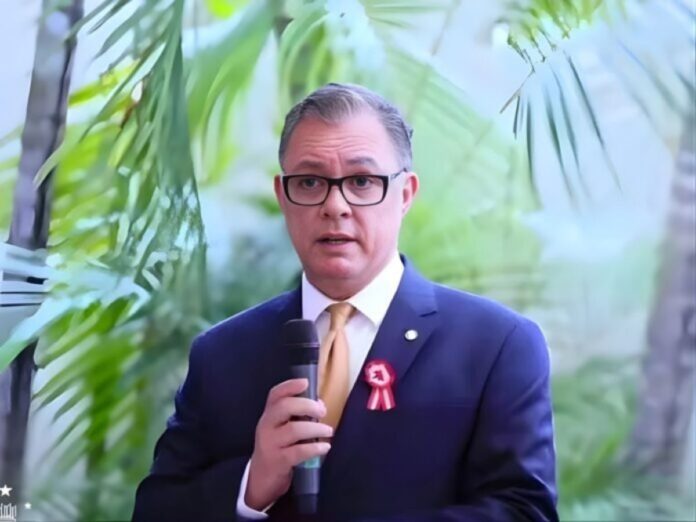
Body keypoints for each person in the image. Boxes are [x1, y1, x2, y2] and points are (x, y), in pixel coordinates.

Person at [132, 83, 558, 521]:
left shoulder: (495, 346)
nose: (335, 206)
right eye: (310, 182)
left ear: (405, 194)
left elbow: (524, 511)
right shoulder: (222, 353)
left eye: (361, 181)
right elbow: (155, 512)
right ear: (283, 196)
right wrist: (251, 485)